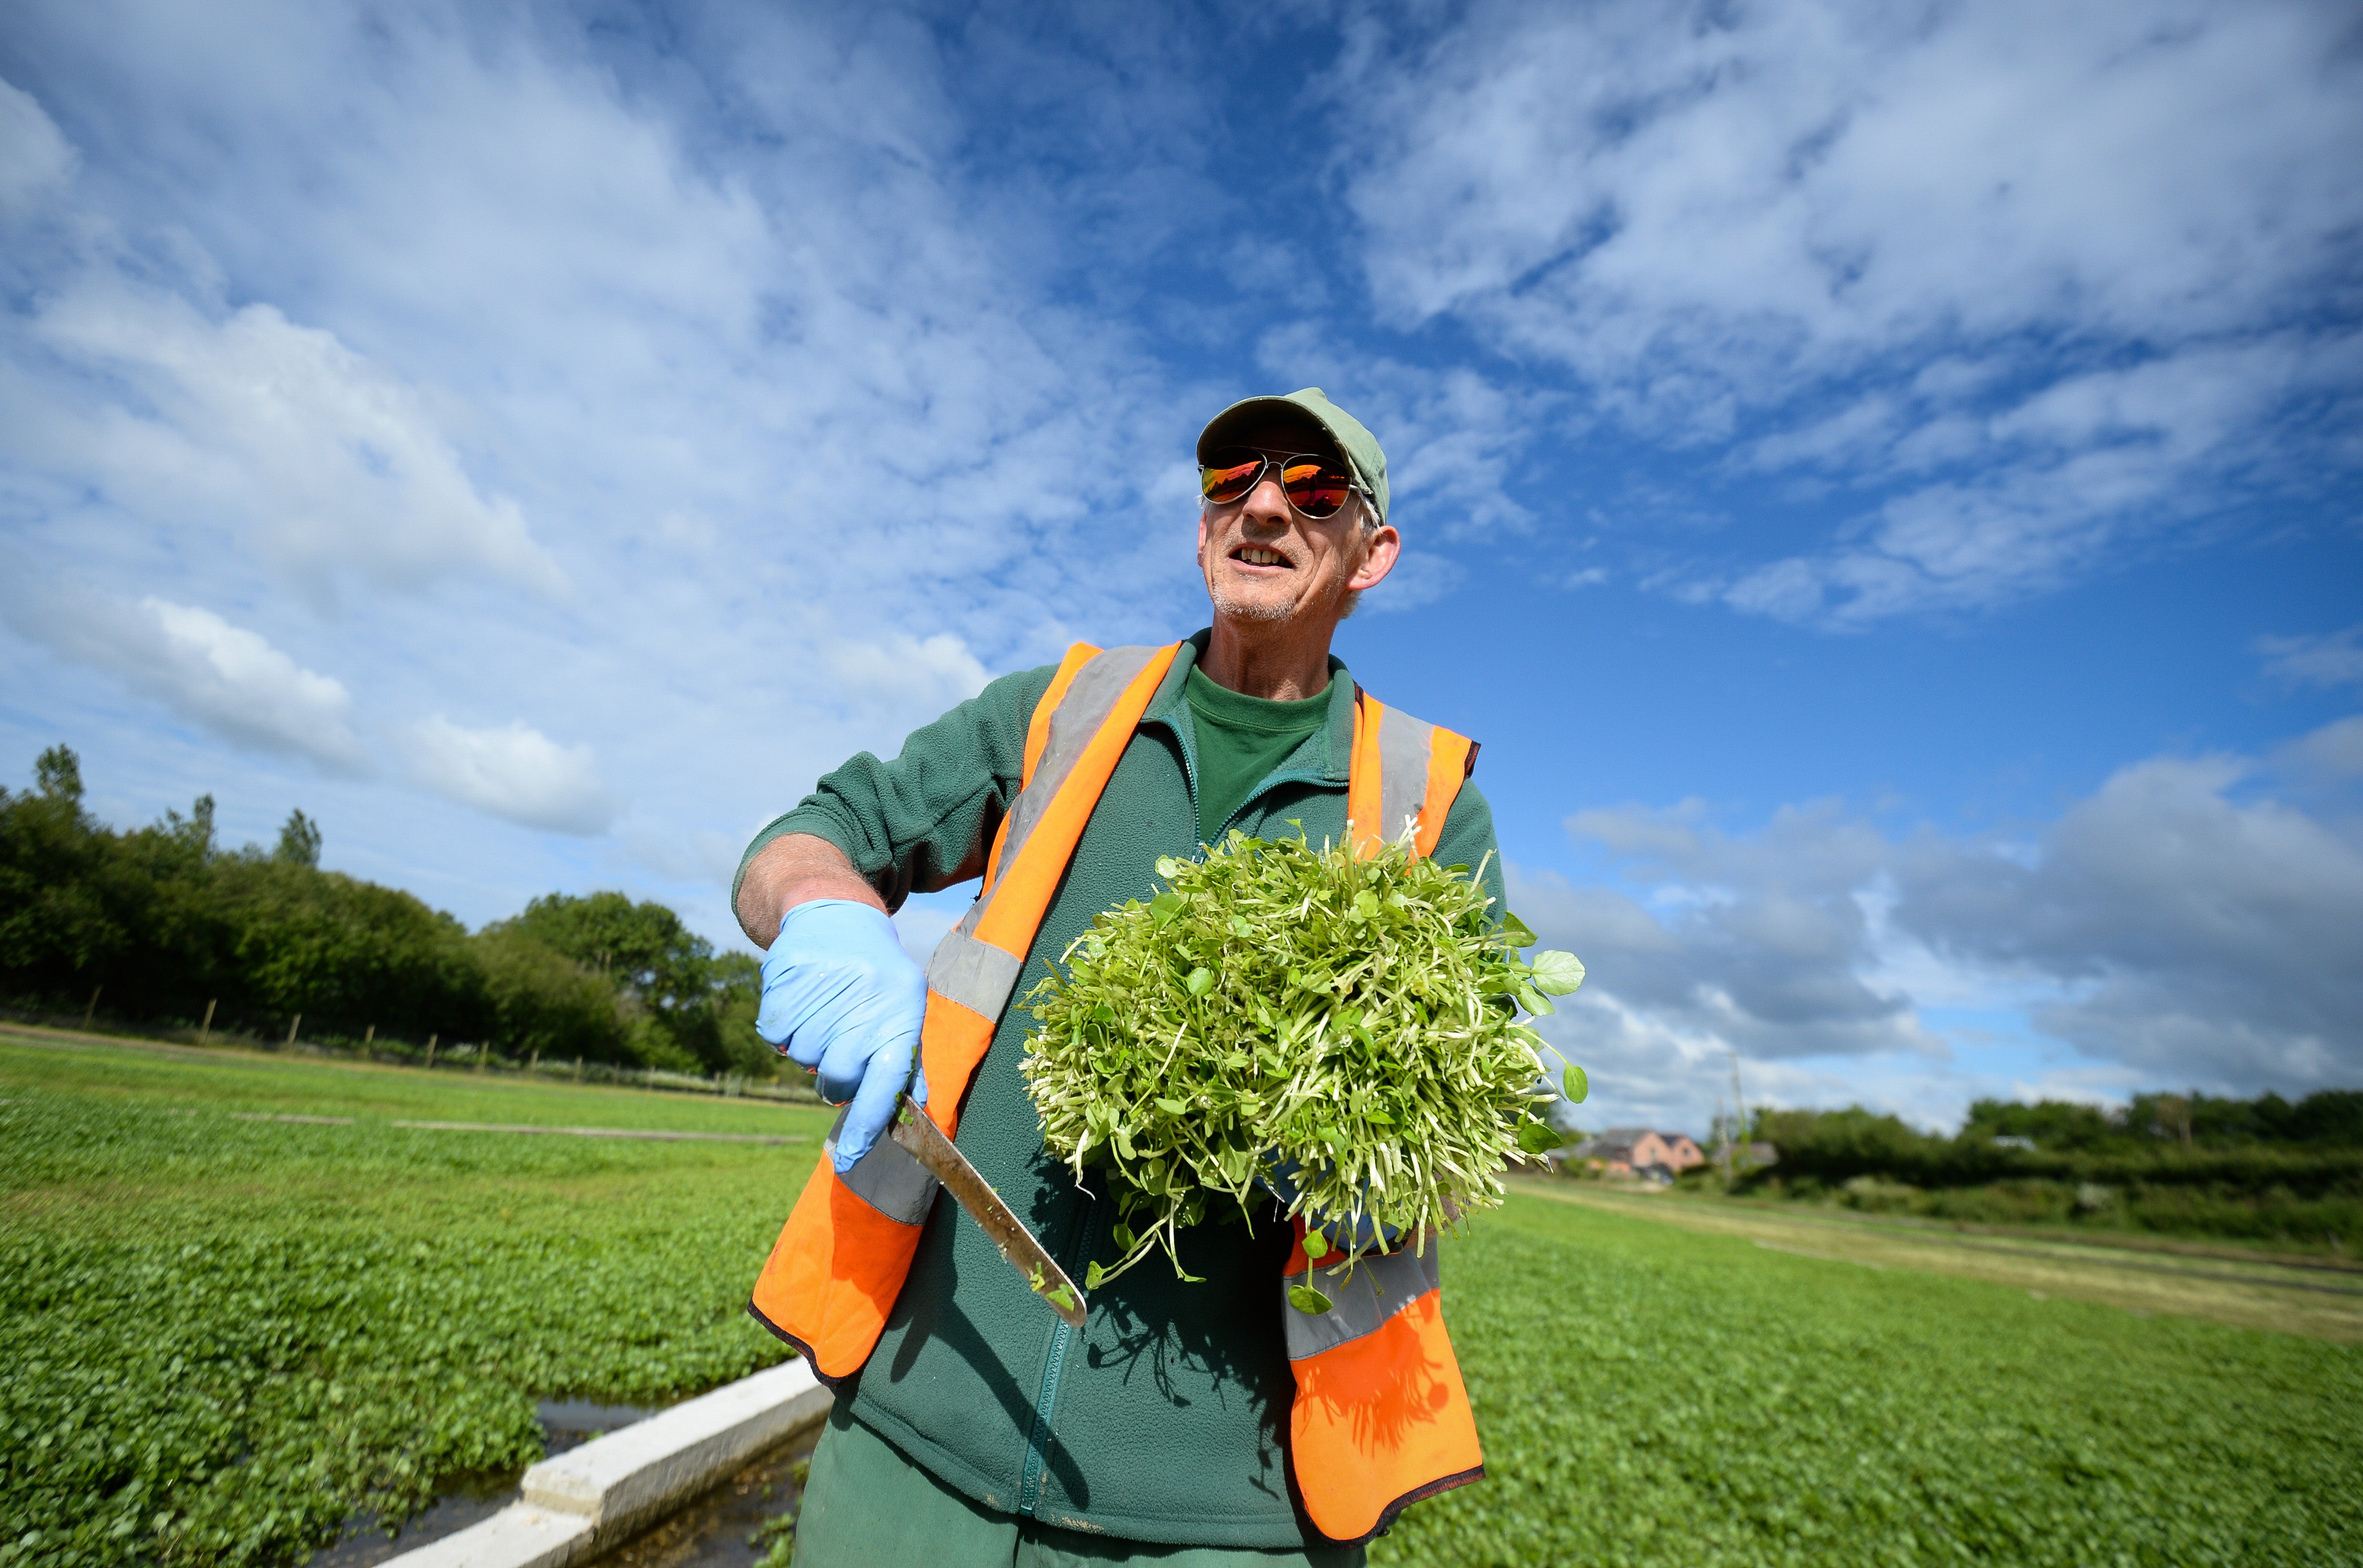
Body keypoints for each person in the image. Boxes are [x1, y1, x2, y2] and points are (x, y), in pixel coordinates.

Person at [734, 389, 1503, 1567]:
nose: (1263, 504)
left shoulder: (1428, 803)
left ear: (1371, 552)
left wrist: (1370, 1159)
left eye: (1312, 486)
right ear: (1202, 529)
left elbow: (1469, 1102)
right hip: (911, 1439)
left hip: (1225, 1519)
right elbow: (812, 833)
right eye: (1233, 479)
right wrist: (821, 913)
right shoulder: (1061, 709)